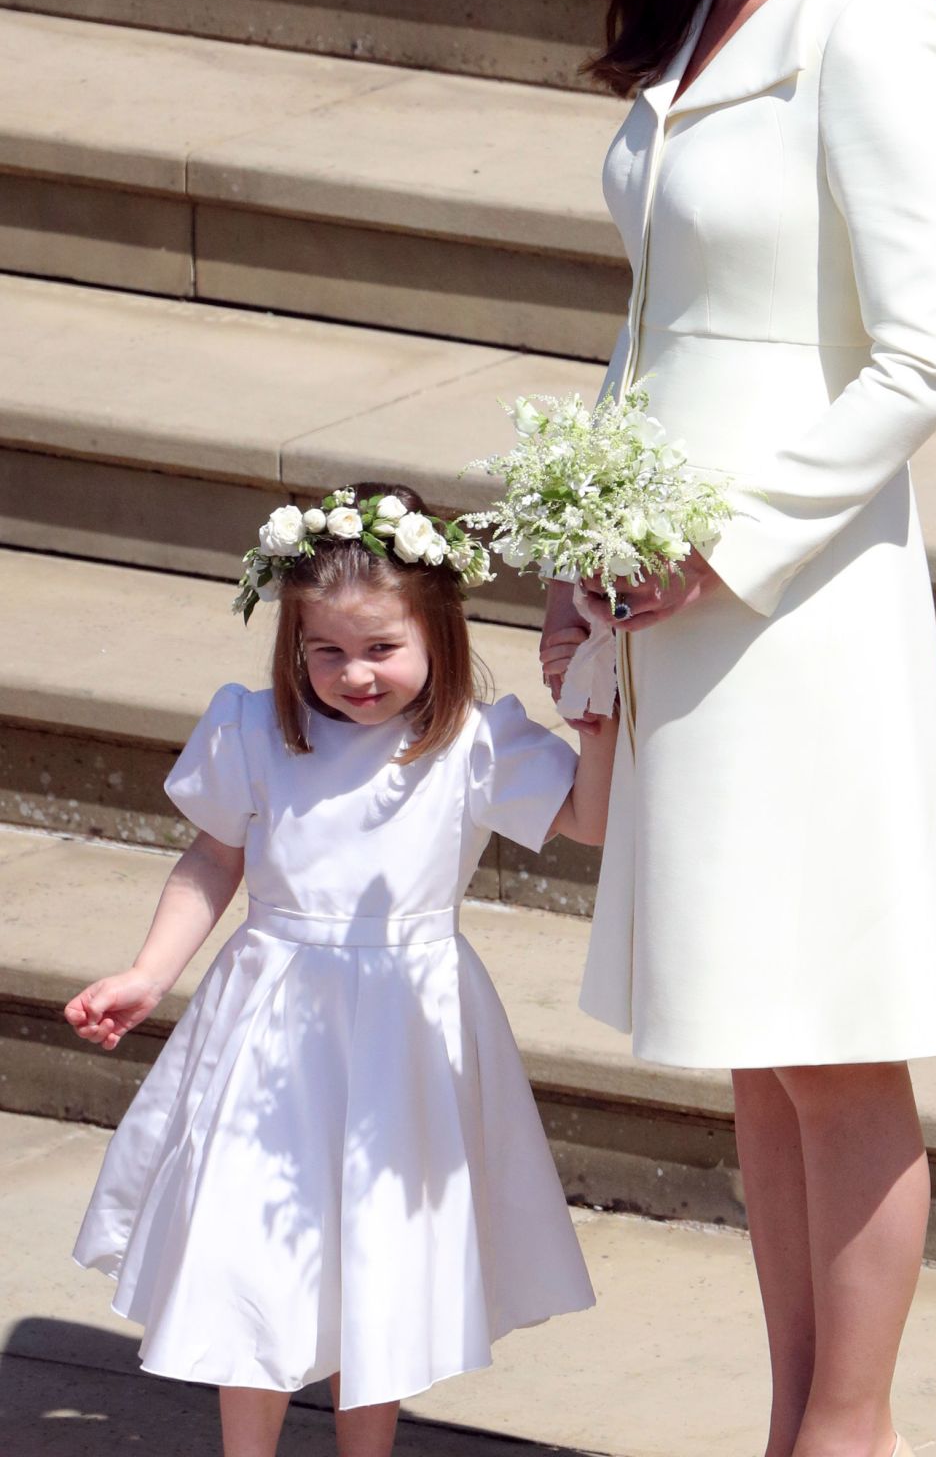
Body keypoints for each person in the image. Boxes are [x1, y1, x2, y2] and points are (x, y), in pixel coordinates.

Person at [541, 0, 936, 1457]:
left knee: (837, 1035)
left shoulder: (869, 32)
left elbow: (922, 358)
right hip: (669, 605)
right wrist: (591, 551)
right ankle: (796, 1417)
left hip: (795, 608)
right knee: (761, 1047)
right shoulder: (707, 28)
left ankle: (849, 1433)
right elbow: (664, 329)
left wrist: (719, 540)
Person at [68, 482, 614, 1457]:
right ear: (292, 646)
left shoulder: (471, 745)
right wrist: (151, 972)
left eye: (380, 648)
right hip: (268, 1023)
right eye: (326, 651)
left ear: (438, 635)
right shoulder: (256, 731)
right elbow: (214, 856)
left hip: (405, 1030)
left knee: (382, 1254)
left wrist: (600, 721)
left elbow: (592, 820)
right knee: (251, 1248)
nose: (354, 674)